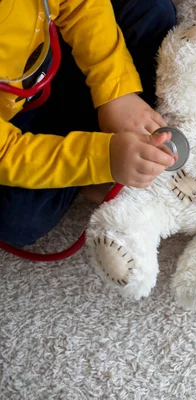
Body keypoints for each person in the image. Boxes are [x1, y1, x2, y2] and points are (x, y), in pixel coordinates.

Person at [0, 0, 178, 248]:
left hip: (62, 50)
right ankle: (100, 164)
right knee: (17, 220)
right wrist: (101, 158)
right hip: (18, 132)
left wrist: (116, 91)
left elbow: (83, 5)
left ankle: (121, 128)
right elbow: (6, 154)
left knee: (151, 9)